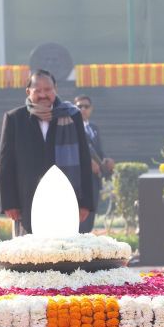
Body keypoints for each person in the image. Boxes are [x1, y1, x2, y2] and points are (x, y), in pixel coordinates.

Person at [0, 70, 94, 235]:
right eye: (38, 90)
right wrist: (9, 203)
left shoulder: (72, 116)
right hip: (27, 200)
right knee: (29, 248)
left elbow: (84, 158)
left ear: (55, 89)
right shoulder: (15, 118)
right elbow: (6, 163)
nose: (43, 94)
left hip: (65, 197)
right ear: (28, 91)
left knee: (64, 247)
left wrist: (85, 202)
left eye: (48, 89)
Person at [74, 94, 114, 233]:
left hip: (95, 178)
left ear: (91, 109)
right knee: (80, 216)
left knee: (91, 213)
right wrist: (87, 163)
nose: (83, 109)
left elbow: (99, 152)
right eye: (79, 106)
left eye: (86, 106)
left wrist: (106, 160)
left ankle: (85, 240)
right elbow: (73, 151)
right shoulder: (71, 126)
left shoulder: (94, 128)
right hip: (80, 179)